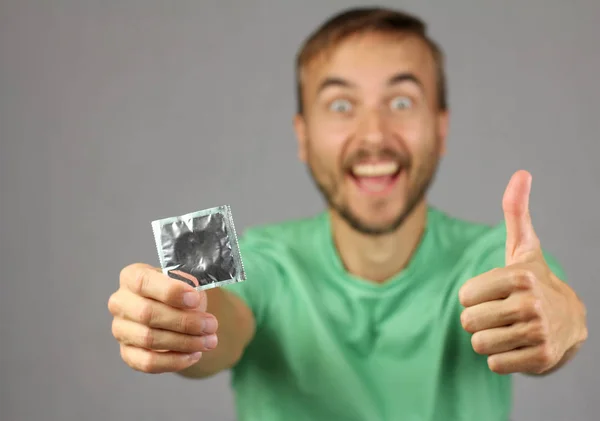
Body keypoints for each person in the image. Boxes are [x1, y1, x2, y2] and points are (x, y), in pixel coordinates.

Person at [107, 7, 588, 421]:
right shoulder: (264, 259)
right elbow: (220, 321)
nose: (374, 135)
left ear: (440, 129)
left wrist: (565, 317)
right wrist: (179, 321)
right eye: (341, 105)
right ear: (303, 135)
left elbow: (549, 308)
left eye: (401, 102)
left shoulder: (489, 257)